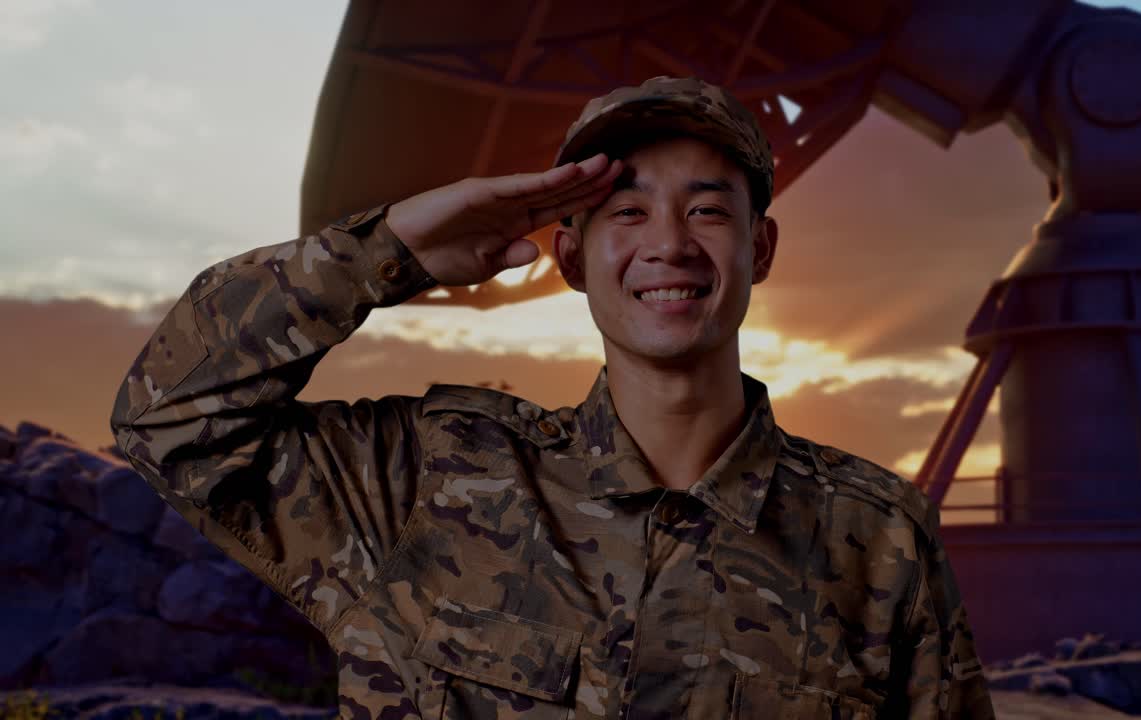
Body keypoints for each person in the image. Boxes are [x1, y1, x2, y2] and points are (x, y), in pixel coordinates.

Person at [110, 75, 996, 719]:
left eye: (709, 210)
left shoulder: (877, 537)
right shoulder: (429, 479)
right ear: (570, 258)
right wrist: (392, 249)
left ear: (761, 250)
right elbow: (170, 417)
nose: (670, 245)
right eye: (626, 211)